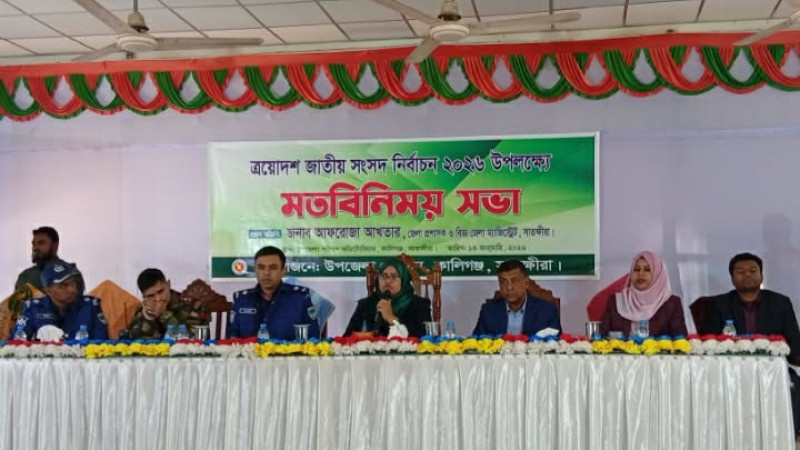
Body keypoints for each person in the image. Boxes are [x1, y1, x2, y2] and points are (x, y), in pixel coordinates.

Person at [702, 253, 800, 437]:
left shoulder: (780, 303)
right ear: (732, 279)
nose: (747, 274)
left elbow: (794, 341)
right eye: (741, 271)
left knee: (794, 384)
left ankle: (786, 437)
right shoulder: (719, 304)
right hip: (730, 372)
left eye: (753, 270)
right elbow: (710, 342)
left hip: (772, 371)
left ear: (761, 276)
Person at [228, 246, 320, 340]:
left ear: (283, 271)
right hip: (250, 350)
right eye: (261, 268)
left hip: (288, 350)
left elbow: (313, 338)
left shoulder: (300, 298)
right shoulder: (242, 299)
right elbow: (232, 338)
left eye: (272, 268)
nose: (266, 273)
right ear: (255, 271)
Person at [600, 251, 687, 337]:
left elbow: (680, 340)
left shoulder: (671, 303)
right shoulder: (616, 301)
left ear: (657, 274)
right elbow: (601, 337)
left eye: (647, 269)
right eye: (637, 269)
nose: (640, 274)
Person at [16, 260, 108, 341]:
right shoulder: (33, 308)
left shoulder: (90, 306)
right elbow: (16, 342)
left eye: (73, 283)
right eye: (63, 286)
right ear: (48, 291)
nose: (72, 289)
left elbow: (102, 343)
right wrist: (37, 338)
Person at [344, 258, 432, 338]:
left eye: (394, 276)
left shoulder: (420, 305)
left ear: (403, 280)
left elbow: (425, 339)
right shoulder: (365, 305)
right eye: (384, 276)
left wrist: (392, 318)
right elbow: (347, 338)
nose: (388, 281)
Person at [472, 260, 560, 336]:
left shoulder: (546, 310)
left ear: (526, 283)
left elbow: (557, 344)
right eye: (503, 282)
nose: (509, 287)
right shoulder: (489, 311)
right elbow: (476, 342)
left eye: (515, 281)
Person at [124, 268, 208, 340]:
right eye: (151, 296)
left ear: (168, 285)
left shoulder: (192, 305)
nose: (158, 298)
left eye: (161, 291)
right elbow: (131, 341)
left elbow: (194, 340)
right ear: (144, 297)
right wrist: (148, 319)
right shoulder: (142, 310)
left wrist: (164, 315)